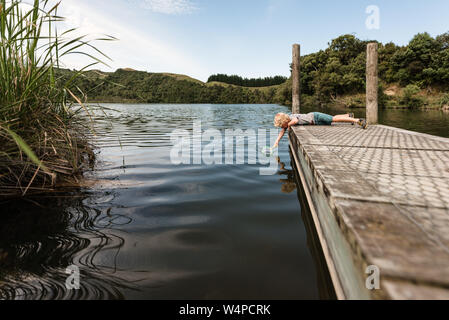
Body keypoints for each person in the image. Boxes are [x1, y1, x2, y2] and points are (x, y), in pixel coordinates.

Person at [272, 112, 367, 148]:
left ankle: (358, 120)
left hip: (316, 116)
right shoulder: (287, 123)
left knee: (333, 119)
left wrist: (288, 125)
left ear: (285, 121)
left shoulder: (292, 117)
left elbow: (295, 120)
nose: (281, 127)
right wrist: (276, 141)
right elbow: (282, 131)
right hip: (315, 121)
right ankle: (348, 116)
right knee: (332, 119)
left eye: (281, 125)